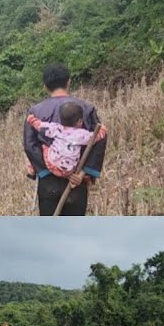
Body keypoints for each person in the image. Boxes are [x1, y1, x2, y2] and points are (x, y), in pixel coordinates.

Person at [23, 63, 108, 216]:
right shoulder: (86, 108)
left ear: (45, 86)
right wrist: (82, 173)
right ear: (69, 82)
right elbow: (99, 139)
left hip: (48, 182)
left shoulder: (35, 112)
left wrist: (48, 170)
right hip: (76, 182)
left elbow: (30, 145)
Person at [27, 102, 96, 176]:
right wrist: (102, 130)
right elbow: (94, 138)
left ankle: (31, 165)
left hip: (51, 165)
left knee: (43, 146)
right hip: (69, 170)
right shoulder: (81, 134)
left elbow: (40, 126)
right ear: (79, 121)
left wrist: (32, 119)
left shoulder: (56, 128)